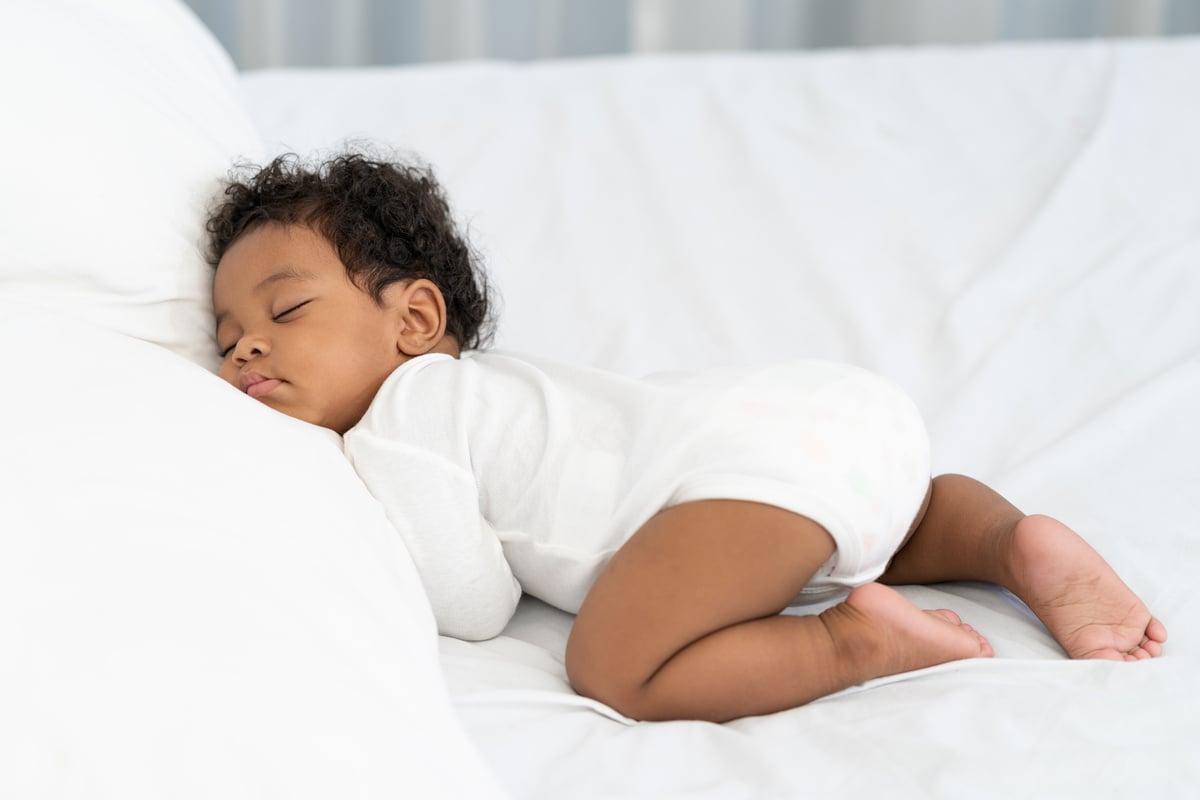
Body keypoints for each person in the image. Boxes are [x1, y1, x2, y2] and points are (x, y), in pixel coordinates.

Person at [207, 153, 1167, 723]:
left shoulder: (403, 423)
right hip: (836, 420)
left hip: (733, 486)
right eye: (224, 337)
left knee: (614, 668)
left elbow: (474, 606)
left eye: (286, 310)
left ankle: (846, 643)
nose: (246, 343)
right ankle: (1007, 540)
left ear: (415, 319)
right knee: (895, 522)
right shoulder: (505, 390)